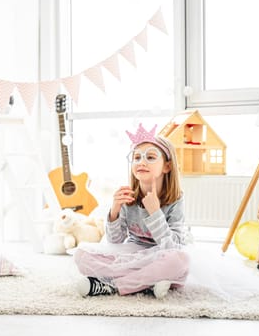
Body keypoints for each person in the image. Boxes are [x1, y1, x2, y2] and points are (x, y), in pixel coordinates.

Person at [73, 123, 190, 299]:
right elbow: (116, 242)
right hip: (133, 253)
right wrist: (114, 211)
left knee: (180, 261)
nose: (141, 162)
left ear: (167, 166)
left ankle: (112, 286)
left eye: (150, 157)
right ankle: (146, 283)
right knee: (81, 255)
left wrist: (155, 213)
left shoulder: (176, 199)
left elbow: (173, 246)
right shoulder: (129, 196)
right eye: (136, 157)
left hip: (161, 255)